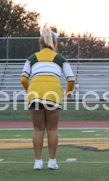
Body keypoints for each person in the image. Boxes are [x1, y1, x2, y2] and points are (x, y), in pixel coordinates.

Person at [21, 25, 75, 170]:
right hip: (54, 93)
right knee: (52, 129)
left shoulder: (32, 58)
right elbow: (71, 79)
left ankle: (38, 162)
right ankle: (52, 161)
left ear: (40, 43)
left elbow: (23, 79)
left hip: (35, 93)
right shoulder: (60, 58)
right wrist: (68, 93)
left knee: (38, 129)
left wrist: (30, 91)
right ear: (54, 44)